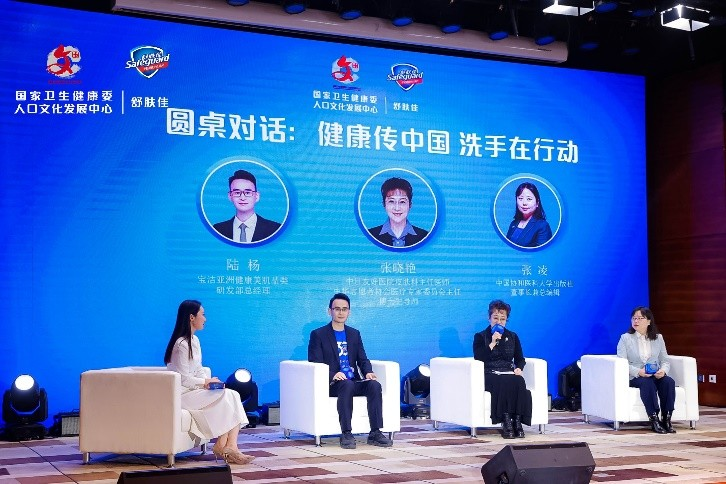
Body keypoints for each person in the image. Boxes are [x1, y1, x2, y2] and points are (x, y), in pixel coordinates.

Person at [164, 300, 255, 464]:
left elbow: (198, 368)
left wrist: (210, 382)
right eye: (203, 314)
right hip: (182, 395)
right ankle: (224, 446)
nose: (205, 319)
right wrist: (205, 382)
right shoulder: (181, 344)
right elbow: (183, 378)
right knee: (228, 395)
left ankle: (229, 445)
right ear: (192, 317)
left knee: (233, 395)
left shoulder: (195, 341)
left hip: (194, 391)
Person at [308, 293, 393, 449]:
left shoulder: (354, 334)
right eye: (337, 309)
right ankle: (346, 433)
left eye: (344, 309)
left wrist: (368, 372)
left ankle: (375, 432)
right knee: (346, 384)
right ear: (329, 311)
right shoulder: (318, 334)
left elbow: (362, 359)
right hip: (333, 384)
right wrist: (333, 374)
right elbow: (315, 362)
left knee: (374, 385)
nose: (341, 313)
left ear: (349, 312)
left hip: (353, 381)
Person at [473, 300, 532, 439]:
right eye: (495, 318)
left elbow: (520, 358)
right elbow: (479, 358)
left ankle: (517, 422)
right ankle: (506, 421)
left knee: (519, 381)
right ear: (489, 318)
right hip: (489, 373)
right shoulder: (480, 336)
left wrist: (519, 368)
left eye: (502, 319)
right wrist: (492, 343)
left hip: (507, 372)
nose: (499, 322)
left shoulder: (512, 336)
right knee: (502, 382)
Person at [616, 306, 676, 434]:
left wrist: (663, 371)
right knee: (647, 383)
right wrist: (638, 372)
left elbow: (665, 360)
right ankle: (654, 419)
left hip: (655, 374)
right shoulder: (625, 338)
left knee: (668, 382)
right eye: (634, 318)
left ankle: (667, 419)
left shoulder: (658, 338)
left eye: (640, 318)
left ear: (649, 321)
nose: (636, 321)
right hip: (636, 376)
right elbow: (622, 362)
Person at [213, 169, 281, 243]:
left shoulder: (275, 229)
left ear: (257, 196)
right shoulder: (217, 230)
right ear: (230, 196)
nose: (242, 198)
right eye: (237, 193)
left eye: (248, 193)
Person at [368, 177, 428, 248]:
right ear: (384, 204)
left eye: (402, 202)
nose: (397, 208)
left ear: (410, 205)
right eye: (391, 201)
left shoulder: (424, 236)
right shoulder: (370, 235)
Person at [505, 182, 553, 248]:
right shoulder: (513, 223)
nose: (524, 203)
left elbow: (542, 252)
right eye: (520, 198)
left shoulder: (542, 226)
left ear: (537, 203)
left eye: (529, 199)